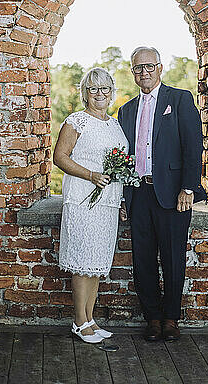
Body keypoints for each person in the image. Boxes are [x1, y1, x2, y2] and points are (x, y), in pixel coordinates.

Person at [118, 46, 206, 342]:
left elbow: (194, 147)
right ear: (132, 73)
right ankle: (152, 318)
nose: (144, 72)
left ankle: (171, 319)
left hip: (172, 194)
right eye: (138, 68)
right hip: (138, 193)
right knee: (142, 260)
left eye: (149, 66)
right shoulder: (126, 110)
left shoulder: (179, 99)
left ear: (160, 67)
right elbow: (122, 155)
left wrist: (188, 188)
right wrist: (122, 196)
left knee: (172, 258)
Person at [53, 67, 128, 344]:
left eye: (105, 88)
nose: (100, 94)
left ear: (112, 92)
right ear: (85, 93)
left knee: (96, 263)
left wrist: (120, 200)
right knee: (83, 263)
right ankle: (79, 321)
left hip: (107, 203)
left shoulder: (115, 124)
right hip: (83, 199)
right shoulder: (76, 121)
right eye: (93, 88)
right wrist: (90, 175)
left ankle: (91, 319)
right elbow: (59, 157)